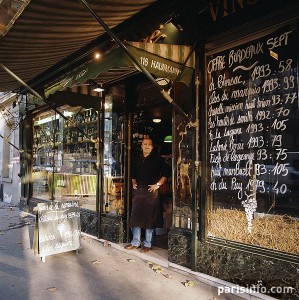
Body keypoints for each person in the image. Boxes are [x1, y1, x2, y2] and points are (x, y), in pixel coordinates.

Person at [125, 138, 168, 253]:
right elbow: (133, 173)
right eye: (145, 144)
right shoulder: (137, 159)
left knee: (149, 219)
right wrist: (134, 183)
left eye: (149, 144)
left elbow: (165, 174)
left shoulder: (158, 159)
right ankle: (135, 242)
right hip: (139, 191)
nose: (147, 146)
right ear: (141, 146)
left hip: (151, 192)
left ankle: (148, 244)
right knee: (135, 218)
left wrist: (157, 185)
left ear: (152, 147)